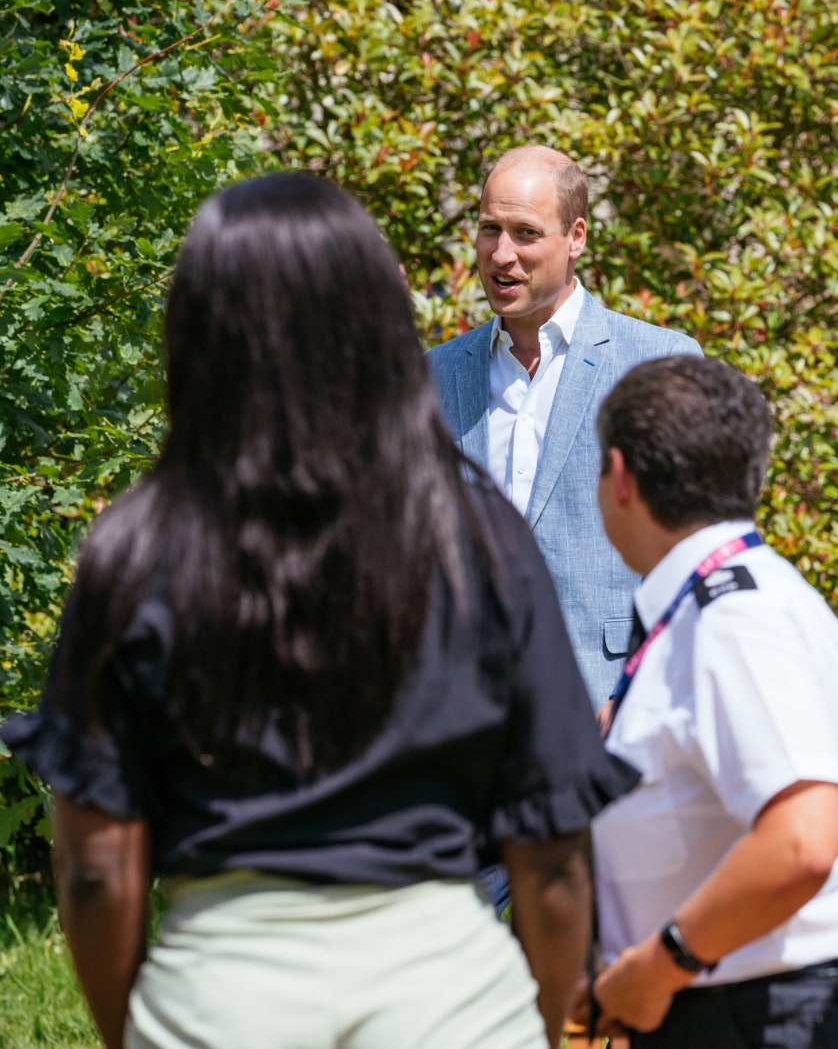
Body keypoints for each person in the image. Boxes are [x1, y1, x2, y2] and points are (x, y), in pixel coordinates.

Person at [0, 174, 639, 1049]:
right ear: (375, 319)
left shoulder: (138, 545)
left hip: (224, 993)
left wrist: (133, 1031)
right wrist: (523, 1021)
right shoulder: (474, 529)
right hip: (447, 995)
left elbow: (97, 867)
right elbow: (554, 851)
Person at [572, 356, 838, 1049]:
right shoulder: (716, 604)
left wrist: (658, 963)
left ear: (619, 478)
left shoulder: (733, 619)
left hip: (778, 1014)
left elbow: (800, 838)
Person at [426, 145, 701, 712]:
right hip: (464, 714)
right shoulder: (432, 376)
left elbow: (696, 553)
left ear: (576, 236)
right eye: (488, 230)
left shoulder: (660, 363)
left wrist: (637, 698)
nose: (501, 255)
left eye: (525, 233)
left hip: (606, 710)